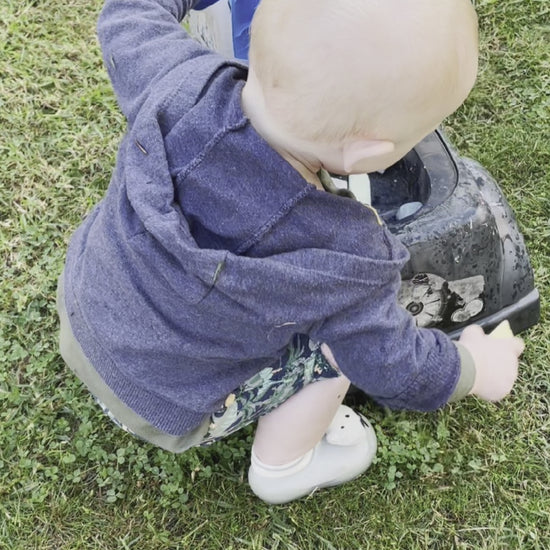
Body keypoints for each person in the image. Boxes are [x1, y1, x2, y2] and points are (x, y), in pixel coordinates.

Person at [57, 0, 525, 505]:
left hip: (84, 311)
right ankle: (284, 466)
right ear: (368, 155)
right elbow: (394, 366)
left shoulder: (178, 80)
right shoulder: (348, 257)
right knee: (336, 352)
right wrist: (476, 367)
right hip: (160, 402)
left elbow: (129, 12)